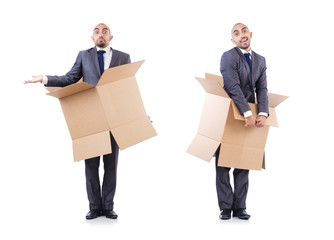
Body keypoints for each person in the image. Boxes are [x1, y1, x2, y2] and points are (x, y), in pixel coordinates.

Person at [24, 23, 131, 220]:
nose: (101, 34)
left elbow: (128, 89)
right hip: (89, 119)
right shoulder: (83, 55)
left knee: (111, 165)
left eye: (105, 31)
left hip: (113, 119)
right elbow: (69, 78)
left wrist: (135, 115)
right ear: (92, 37)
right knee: (91, 166)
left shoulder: (123, 58)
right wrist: (44, 79)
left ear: (111, 37)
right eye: (97, 32)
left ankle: (107, 207)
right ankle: (94, 207)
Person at [217, 23, 269, 220]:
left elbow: (262, 88)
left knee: (243, 161)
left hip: (251, 115)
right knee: (223, 163)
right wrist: (246, 112)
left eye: (244, 31)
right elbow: (232, 85)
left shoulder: (261, 60)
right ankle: (225, 207)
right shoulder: (228, 56)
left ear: (251, 34)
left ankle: (240, 207)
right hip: (230, 113)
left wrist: (262, 112)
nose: (241, 35)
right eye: (236, 34)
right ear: (233, 40)